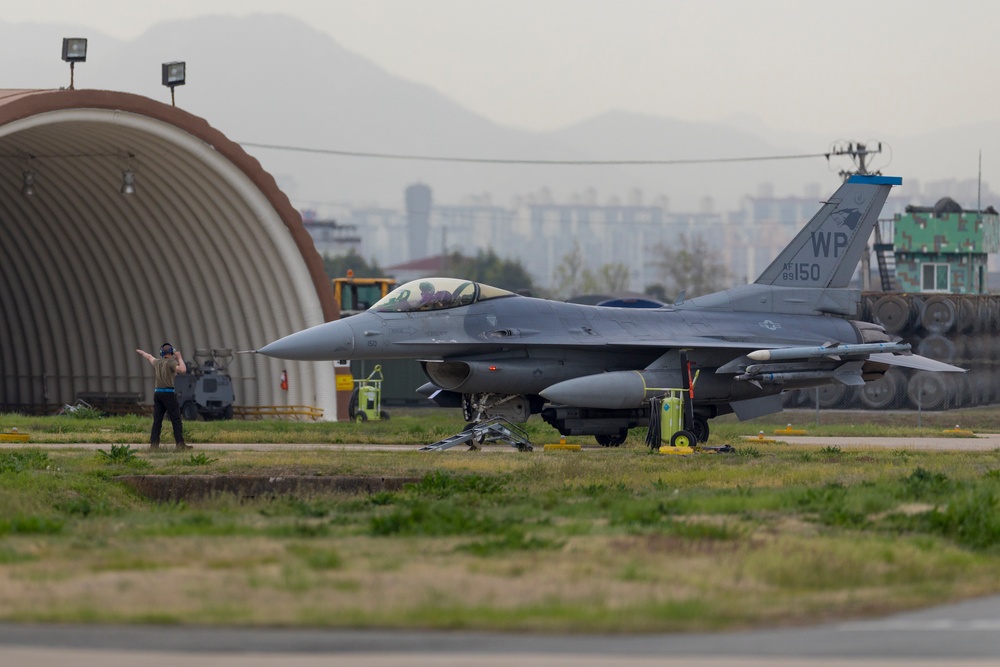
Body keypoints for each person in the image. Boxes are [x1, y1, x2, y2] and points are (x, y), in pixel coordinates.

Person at [135, 343, 191, 450]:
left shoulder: (157, 362)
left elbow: (149, 357)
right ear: (171, 352)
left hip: (158, 394)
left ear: (161, 353)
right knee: (176, 419)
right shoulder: (171, 362)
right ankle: (180, 444)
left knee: (157, 421)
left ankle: (154, 445)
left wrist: (142, 353)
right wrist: (180, 357)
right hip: (168, 394)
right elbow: (183, 370)